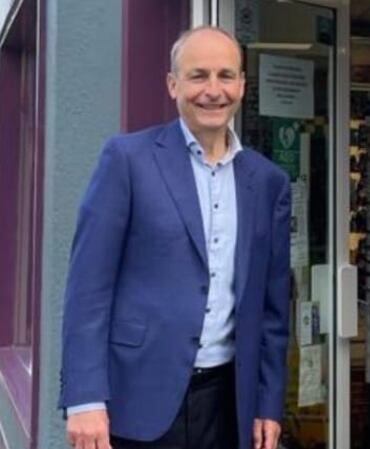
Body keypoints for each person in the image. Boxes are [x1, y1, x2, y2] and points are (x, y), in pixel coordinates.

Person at [59, 26, 290, 449]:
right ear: (172, 84)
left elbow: (273, 310)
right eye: (198, 75)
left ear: (241, 85)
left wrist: (268, 403)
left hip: (229, 403)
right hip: (135, 396)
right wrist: (84, 397)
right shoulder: (127, 159)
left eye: (225, 76)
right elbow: (88, 290)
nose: (213, 90)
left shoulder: (268, 181)